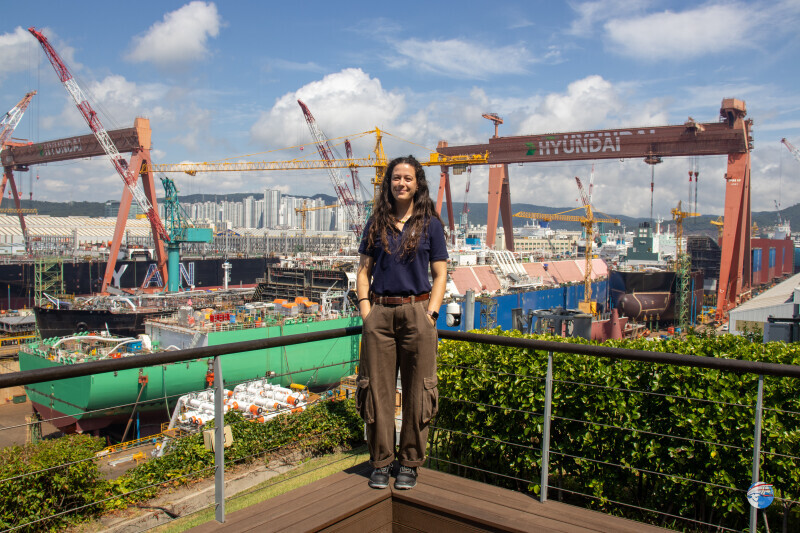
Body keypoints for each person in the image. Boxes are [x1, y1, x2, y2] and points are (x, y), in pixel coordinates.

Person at [356, 155, 448, 490]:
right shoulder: (376, 222)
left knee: (418, 391)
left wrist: (431, 315)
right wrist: (367, 313)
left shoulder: (431, 224)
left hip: (417, 312)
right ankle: (381, 461)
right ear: (388, 183)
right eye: (396, 178)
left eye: (408, 178)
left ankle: (409, 462)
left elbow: (440, 274)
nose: (401, 183)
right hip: (379, 314)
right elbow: (363, 271)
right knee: (376, 391)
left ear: (418, 183)